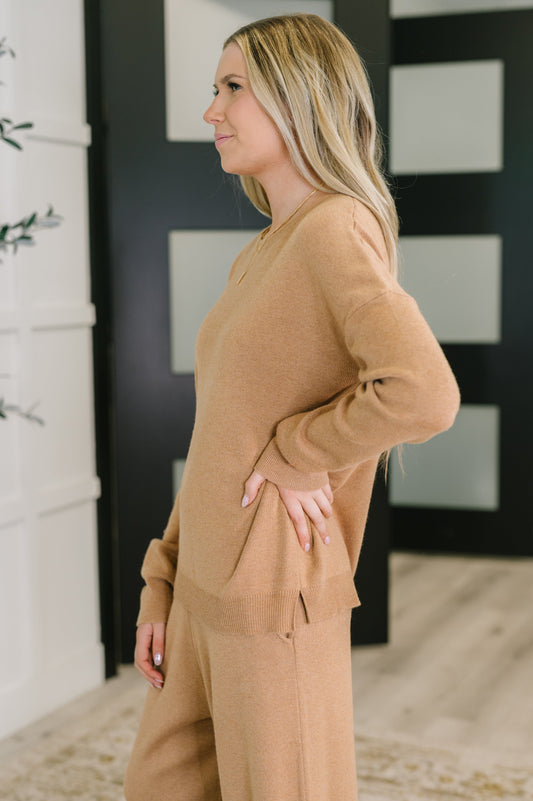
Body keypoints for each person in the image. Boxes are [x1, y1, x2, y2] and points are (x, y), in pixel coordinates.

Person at [124, 13, 460, 801]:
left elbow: (423, 391)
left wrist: (296, 448)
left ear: (301, 96)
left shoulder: (334, 229)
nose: (212, 109)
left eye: (233, 87)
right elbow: (221, 433)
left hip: (271, 597)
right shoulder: (266, 246)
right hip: (203, 586)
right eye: (214, 89)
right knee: (159, 784)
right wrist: (162, 581)